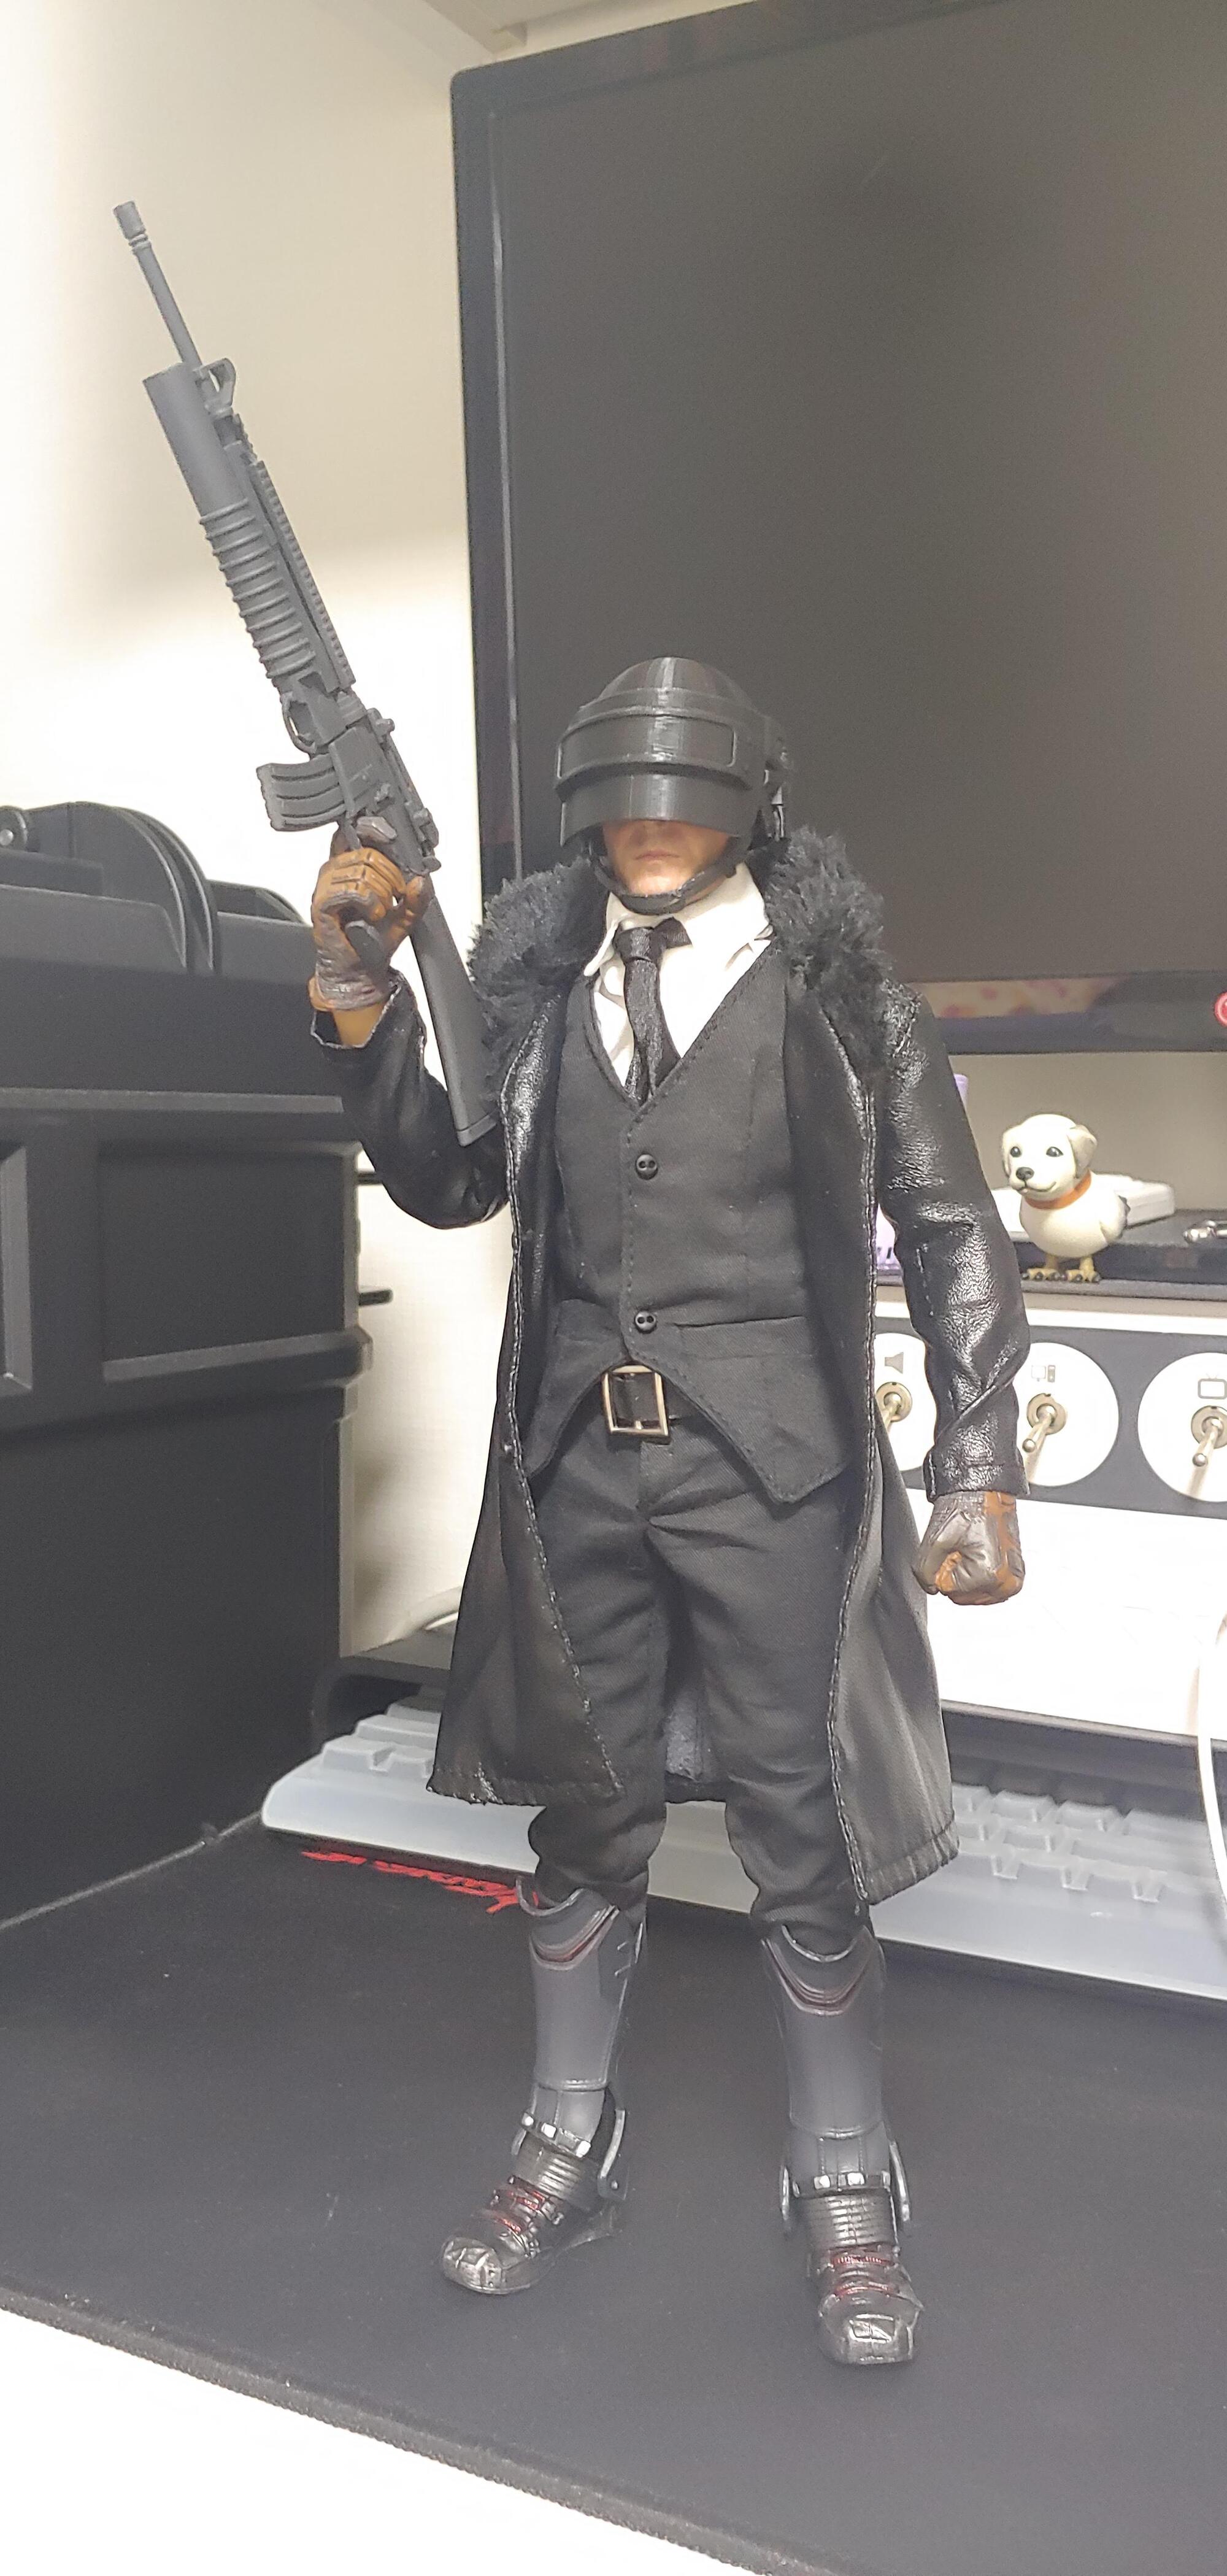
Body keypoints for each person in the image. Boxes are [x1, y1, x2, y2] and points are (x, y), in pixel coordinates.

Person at [308, 658, 1028, 2367]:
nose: (651, 829)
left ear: (748, 810)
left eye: (683, 802)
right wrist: (356, 993)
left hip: (775, 1472)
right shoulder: (542, 988)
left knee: (802, 1819)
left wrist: (978, 1463)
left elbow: (951, 1225)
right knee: (589, 1810)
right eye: (622, 804)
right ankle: (571, 2137)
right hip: (577, 1463)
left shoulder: (840, 995)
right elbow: (450, 1175)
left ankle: (844, 2169)